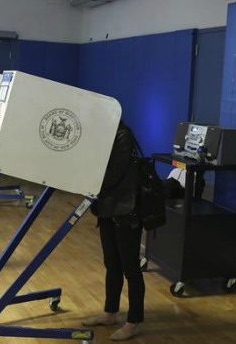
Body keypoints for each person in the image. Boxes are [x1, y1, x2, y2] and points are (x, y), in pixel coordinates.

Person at [83, 121, 145, 341]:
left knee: (130, 267)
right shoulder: (104, 134)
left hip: (125, 209)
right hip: (109, 208)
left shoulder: (122, 136)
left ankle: (134, 321)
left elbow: (112, 175)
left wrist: (84, 175)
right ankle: (110, 313)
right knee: (112, 263)